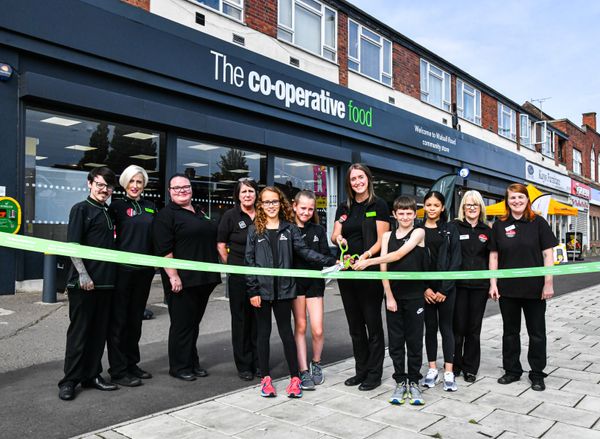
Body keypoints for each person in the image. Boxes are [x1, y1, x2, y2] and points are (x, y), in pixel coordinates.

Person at [245, 186, 336, 398]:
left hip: (285, 291)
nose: (271, 206)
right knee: (263, 334)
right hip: (263, 292)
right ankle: (265, 379)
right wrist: (253, 290)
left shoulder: (289, 229)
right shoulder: (254, 230)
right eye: (266, 202)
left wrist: (331, 261)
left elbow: (305, 252)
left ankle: (295, 378)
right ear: (261, 205)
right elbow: (248, 263)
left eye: (274, 201)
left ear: (281, 203)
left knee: (287, 333)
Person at [354, 196, 426, 405]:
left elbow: (398, 254)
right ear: (394, 214)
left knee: (413, 341)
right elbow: (385, 269)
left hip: (415, 296)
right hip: (395, 296)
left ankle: (414, 381)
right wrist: (389, 295)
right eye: (401, 213)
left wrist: (368, 261)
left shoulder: (419, 232)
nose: (405, 217)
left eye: (409, 213)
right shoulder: (386, 236)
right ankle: (400, 381)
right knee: (395, 343)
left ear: (414, 214)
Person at [152, 173, 221, 381]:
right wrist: (173, 276)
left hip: (204, 280)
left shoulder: (198, 211)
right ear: (170, 192)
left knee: (193, 324)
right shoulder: (166, 215)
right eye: (177, 188)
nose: (182, 190)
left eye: (186, 187)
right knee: (182, 325)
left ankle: (192, 361)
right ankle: (179, 367)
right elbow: (164, 249)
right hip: (183, 281)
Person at [489, 183, 557, 391]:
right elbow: (494, 256)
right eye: (512, 198)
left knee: (537, 333)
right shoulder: (499, 225)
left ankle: (537, 373)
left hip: (535, 289)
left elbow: (548, 255)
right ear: (507, 201)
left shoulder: (538, 222)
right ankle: (512, 371)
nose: (516, 201)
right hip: (507, 289)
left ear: (527, 199)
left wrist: (548, 283)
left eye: (520, 197)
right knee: (510, 332)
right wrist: (493, 283)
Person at [58, 167, 118, 401]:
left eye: (109, 186)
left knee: (98, 334)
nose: (105, 190)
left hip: (106, 284)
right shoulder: (81, 209)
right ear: (89, 184)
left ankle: (92, 375)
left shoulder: (109, 212)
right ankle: (69, 381)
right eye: (100, 184)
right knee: (79, 333)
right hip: (84, 284)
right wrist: (83, 275)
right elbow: (73, 246)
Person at [331, 163, 389, 391]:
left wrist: (365, 257)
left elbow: (381, 241)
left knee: (372, 325)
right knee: (355, 326)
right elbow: (335, 233)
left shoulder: (379, 205)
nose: (357, 182)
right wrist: (339, 240)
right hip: (347, 272)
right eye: (353, 179)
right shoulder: (344, 207)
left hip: (369, 272)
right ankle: (360, 371)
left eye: (360, 177)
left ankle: (374, 374)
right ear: (349, 183)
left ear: (368, 179)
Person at [107, 165, 156, 387]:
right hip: (122, 272)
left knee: (135, 320)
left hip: (144, 273)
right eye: (132, 181)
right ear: (125, 183)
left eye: (139, 182)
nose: (135, 186)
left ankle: (131, 363)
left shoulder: (150, 207)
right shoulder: (115, 207)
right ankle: (118, 370)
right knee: (119, 321)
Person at [216, 178, 259, 381]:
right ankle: (244, 365)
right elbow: (221, 244)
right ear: (238, 195)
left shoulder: (263, 215)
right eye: (244, 192)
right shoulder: (230, 216)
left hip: (261, 277)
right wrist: (231, 266)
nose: (248, 195)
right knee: (241, 320)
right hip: (239, 277)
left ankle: (259, 361)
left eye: (251, 191)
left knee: (259, 320)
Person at [291, 190, 333, 390]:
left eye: (310, 208)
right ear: (294, 206)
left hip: (315, 284)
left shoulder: (318, 229)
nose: (306, 212)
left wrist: (336, 262)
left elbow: (324, 254)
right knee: (300, 327)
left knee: (318, 329)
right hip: (296, 284)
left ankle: (316, 363)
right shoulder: (287, 229)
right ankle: (303, 370)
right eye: (303, 208)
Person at [420, 190, 461, 392]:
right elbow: (415, 261)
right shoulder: (417, 229)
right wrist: (425, 288)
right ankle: (432, 369)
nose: (432, 209)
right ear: (424, 206)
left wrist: (445, 288)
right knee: (430, 329)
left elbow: (456, 260)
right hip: (426, 289)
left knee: (446, 329)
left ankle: (449, 371)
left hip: (447, 289)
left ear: (442, 207)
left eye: (436, 205)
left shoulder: (450, 229)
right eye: (428, 205)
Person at [452, 190, 491, 383]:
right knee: (458, 328)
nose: (472, 208)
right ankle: (455, 365)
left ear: (481, 207)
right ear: (463, 208)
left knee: (473, 329)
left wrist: (493, 283)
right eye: (468, 204)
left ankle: (470, 368)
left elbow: (493, 259)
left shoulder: (487, 230)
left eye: (475, 204)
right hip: (458, 287)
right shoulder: (454, 227)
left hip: (479, 287)